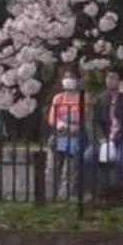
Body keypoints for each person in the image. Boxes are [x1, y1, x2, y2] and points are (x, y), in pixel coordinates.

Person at [45, 73, 85, 202]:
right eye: (66, 78)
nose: (69, 81)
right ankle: (49, 196)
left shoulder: (81, 98)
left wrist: (75, 127)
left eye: (72, 78)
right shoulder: (58, 98)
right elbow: (52, 117)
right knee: (52, 167)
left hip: (75, 136)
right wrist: (60, 124)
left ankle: (65, 196)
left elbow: (84, 119)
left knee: (69, 170)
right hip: (59, 134)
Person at [94, 70, 123, 191]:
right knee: (89, 156)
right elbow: (96, 121)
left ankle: (122, 187)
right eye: (108, 78)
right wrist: (101, 137)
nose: (110, 81)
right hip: (105, 137)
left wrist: (118, 137)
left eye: (113, 78)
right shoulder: (101, 99)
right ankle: (101, 187)